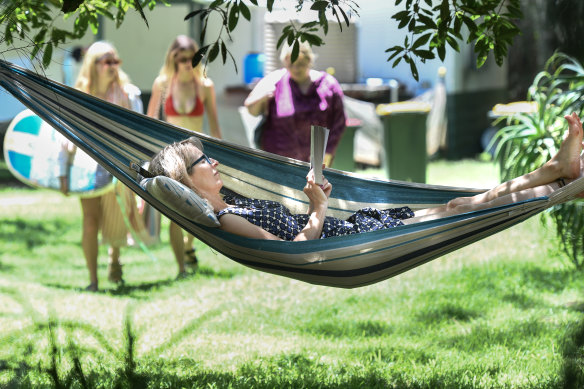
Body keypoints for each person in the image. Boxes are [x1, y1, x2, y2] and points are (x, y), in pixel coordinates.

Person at [149, 113, 584, 241]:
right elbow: (295, 248)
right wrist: (318, 209)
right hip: (350, 242)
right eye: (204, 162)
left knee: (456, 206)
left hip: (353, 229)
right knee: (458, 209)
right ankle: (556, 177)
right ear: (188, 181)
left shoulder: (237, 203)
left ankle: (555, 172)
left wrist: (315, 200)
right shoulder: (228, 220)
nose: (215, 164)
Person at [59, 41, 140, 291]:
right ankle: (93, 280)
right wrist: (63, 173)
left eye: (116, 61)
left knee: (116, 218)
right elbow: (67, 136)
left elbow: (138, 135)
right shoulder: (79, 95)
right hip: (87, 167)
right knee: (91, 221)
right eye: (107, 61)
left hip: (119, 165)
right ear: (93, 65)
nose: (113, 66)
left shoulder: (129, 94)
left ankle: (115, 260)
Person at [146, 35, 222, 277]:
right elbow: (148, 122)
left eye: (190, 58)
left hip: (197, 155)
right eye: (180, 58)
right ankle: (181, 268)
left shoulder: (205, 86)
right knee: (173, 212)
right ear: (172, 58)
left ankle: (189, 246)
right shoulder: (163, 83)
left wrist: (224, 156)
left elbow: (215, 127)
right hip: (172, 157)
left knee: (199, 205)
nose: (185, 63)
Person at [244, 41, 346, 166]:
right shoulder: (276, 79)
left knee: (315, 185)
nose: (296, 69)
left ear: (310, 61)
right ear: (285, 63)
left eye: (300, 64)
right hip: (278, 162)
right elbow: (251, 109)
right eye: (291, 65)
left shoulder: (327, 84)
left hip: (316, 162)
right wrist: (264, 96)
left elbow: (339, 121)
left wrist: (329, 151)